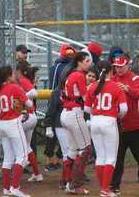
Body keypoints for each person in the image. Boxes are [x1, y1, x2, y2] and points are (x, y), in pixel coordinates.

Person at [110, 55, 139, 197]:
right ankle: (114, 187)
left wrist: (127, 89)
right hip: (119, 127)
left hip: (137, 126)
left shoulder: (135, 78)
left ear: (128, 65)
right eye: (116, 66)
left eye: (121, 66)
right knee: (117, 159)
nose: (119, 69)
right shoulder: (112, 79)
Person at [85, 60, 128, 197]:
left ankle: (103, 188)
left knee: (100, 157)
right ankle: (105, 190)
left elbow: (86, 108)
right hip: (109, 121)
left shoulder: (92, 86)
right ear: (111, 71)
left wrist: (97, 114)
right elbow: (124, 109)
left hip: (95, 121)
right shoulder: (116, 86)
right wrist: (117, 116)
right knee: (110, 158)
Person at [0, 65, 33, 197]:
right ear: (9, 76)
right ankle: (15, 187)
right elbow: (29, 104)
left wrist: (17, 101)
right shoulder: (13, 87)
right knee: (23, 156)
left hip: (2, 125)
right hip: (13, 123)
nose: (14, 75)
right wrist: (21, 100)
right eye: (13, 74)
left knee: (8, 158)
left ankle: (6, 189)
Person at [60, 51, 92, 194]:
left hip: (66, 113)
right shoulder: (79, 75)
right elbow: (86, 99)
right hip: (74, 113)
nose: (89, 64)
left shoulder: (71, 74)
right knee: (86, 148)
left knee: (73, 151)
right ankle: (76, 185)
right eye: (86, 61)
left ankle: (66, 183)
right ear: (79, 62)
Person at [44, 44, 76, 172]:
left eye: (71, 54)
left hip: (64, 102)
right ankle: (50, 162)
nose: (70, 56)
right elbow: (56, 87)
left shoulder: (72, 67)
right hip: (58, 101)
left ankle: (57, 163)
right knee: (56, 137)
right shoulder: (57, 67)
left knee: (67, 144)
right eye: (68, 54)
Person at [16, 61, 43, 182]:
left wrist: (21, 97)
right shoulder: (22, 80)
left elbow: (33, 92)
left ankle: (16, 171)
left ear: (19, 71)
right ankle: (37, 174)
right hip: (30, 116)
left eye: (16, 71)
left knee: (16, 144)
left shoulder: (21, 79)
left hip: (27, 116)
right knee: (27, 146)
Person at [43, 84, 69, 189]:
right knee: (69, 153)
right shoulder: (58, 91)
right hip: (61, 124)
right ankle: (65, 181)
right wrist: (48, 125)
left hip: (73, 123)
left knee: (72, 152)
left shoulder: (81, 88)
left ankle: (67, 179)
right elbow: (51, 110)